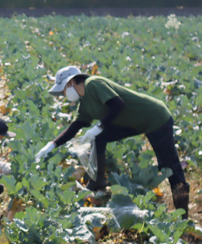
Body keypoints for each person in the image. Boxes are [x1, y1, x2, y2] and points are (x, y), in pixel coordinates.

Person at [35, 65, 190, 217]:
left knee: (170, 166)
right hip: (135, 123)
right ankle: (98, 182)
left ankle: (182, 216)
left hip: (155, 117)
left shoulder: (94, 84)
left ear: (71, 83)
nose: (63, 94)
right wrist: (51, 145)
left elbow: (117, 104)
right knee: (99, 138)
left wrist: (99, 126)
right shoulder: (84, 104)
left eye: (63, 90)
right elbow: (74, 127)